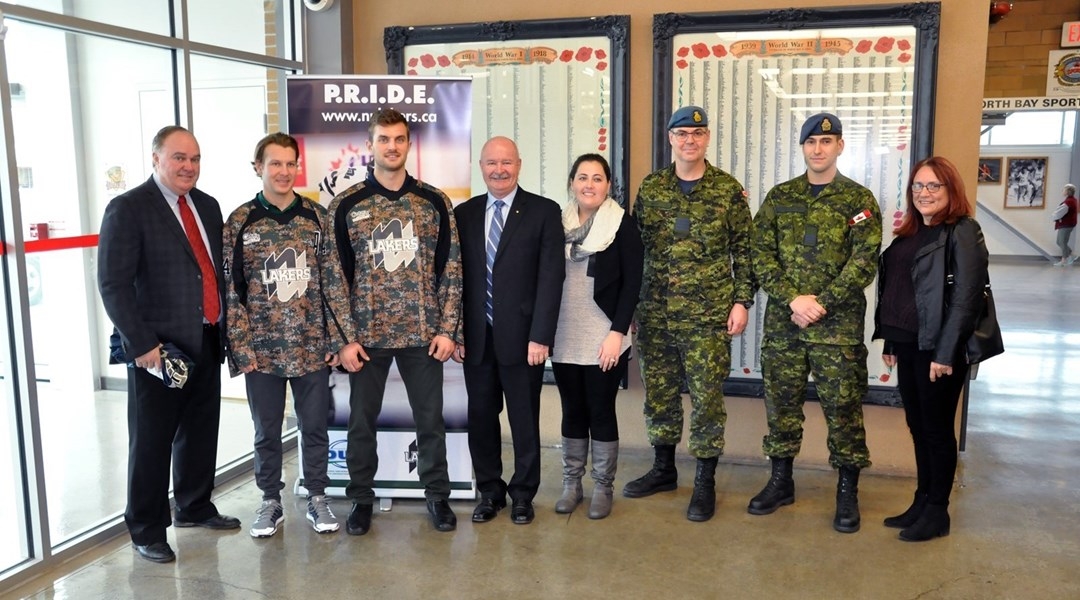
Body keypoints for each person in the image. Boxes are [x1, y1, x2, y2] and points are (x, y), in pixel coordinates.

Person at [98, 125, 240, 564]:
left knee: (200, 431)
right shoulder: (129, 208)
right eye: (179, 158)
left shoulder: (207, 206)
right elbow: (113, 284)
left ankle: (194, 506)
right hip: (157, 351)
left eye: (195, 159)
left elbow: (209, 272)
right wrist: (142, 345)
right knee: (152, 441)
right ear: (156, 158)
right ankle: (146, 528)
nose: (188, 167)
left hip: (206, 337)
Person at [327, 108, 463, 535]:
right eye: (383, 139)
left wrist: (447, 329)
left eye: (399, 139)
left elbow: (452, 269)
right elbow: (334, 277)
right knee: (360, 422)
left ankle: (437, 497)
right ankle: (361, 500)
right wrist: (345, 339)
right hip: (366, 338)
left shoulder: (433, 201)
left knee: (431, 422)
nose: (391, 146)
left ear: (408, 144)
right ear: (370, 145)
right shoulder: (346, 204)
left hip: (423, 335)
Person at [749, 113, 882, 534]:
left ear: (840, 146)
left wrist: (819, 303)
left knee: (843, 410)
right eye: (811, 142)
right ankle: (781, 481)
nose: (818, 149)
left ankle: (847, 491)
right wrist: (793, 299)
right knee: (781, 407)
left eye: (827, 141)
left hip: (836, 330)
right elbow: (760, 254)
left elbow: (864, 262)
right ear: (803, 148)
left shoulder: (857, 201)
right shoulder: (780, 196)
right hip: (785, 327)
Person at [623, 106, 755, 523]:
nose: (690, 140)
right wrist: (628, 306)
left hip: (708, 316)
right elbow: (634, 250)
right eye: (682, 134)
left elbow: (745, 252)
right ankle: (664, 469)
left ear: (707, 138)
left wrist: (741, 301)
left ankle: (704, 481)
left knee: (706, 401)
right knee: (660, 396)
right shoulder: (653, 189)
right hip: (655, 313)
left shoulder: (728, 191)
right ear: (670, 139)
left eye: (697, 133)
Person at [223, 132, 353, 538]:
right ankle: (270, 501)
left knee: (314, 426)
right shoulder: (240, 221)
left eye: (289, 163)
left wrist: (337, 340)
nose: (282, 171)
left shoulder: (317, 217)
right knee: (266, 430)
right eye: (274, 163)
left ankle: (317, 496)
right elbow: (232, 291)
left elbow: (333, 283)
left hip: (311, 346)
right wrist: (242, 350)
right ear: (258, 167)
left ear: (298, 167)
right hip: (261, 351)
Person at [873, 156, 990, 542]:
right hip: (907, 345)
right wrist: (890, 338)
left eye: (933, 186)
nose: (924, 193)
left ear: (950, 190)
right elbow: (900, 293)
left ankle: (938, 512)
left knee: (938, 430)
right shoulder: (910, 233)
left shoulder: (962, 231)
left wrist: (944, 353)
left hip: (939, 350)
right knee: (918, 427)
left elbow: (966, 299)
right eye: (918, 186)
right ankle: (922, 501)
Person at [452, 137, 564, 525]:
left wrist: (541, 335)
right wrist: (456, 333)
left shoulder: (544, 211)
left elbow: (552, 278)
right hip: (476, 340)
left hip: (523, 341)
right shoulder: (463, 214)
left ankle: (522, 495)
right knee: (481, 419)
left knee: (523, 419)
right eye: (491, 163)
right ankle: (490, 492)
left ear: (519, 164)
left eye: (507, 162)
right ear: (480, 166)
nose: (499, 170)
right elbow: (454, 280)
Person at [550, 154, 643, 519]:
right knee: (572, 408)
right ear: (572, 182)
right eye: (583, 177)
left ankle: (603, 487)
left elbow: (632, 282)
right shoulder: (557, 223)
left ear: (608, 185)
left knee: (600, 410)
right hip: (563, 331)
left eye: (598, 178)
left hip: (604, 333)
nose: (590, 184)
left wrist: (616, 333)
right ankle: (572, 484)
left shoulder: (621, 225)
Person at [1052, 183, 1077, 266]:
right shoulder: (1072, 200)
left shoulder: (1069, 202)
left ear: (1068, 191)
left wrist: (1054, 216)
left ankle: (1063, 260)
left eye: (1064, 190)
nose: (1062, 191)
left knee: (1062, 242)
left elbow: (1059, 213)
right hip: (1068, 224)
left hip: (1066, 225)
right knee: (1059, 242)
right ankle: (1070, 255)